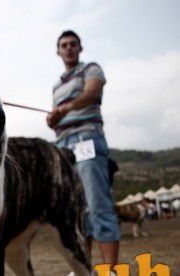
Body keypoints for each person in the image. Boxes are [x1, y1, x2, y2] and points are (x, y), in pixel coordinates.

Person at [46, 30, 120, 273]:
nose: (68, 48)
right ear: (58, 51)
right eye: (63, 45)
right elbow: (58, 117)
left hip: (86, 138)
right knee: (76, 211)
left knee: (98, 205)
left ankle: (109, 270)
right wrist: (52, 119)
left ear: (80, 48)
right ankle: (84, 268)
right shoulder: (56, 86)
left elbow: (92, 94)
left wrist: (65, 108)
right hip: (63, 147)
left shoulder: (91, 69)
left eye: (72, 44)